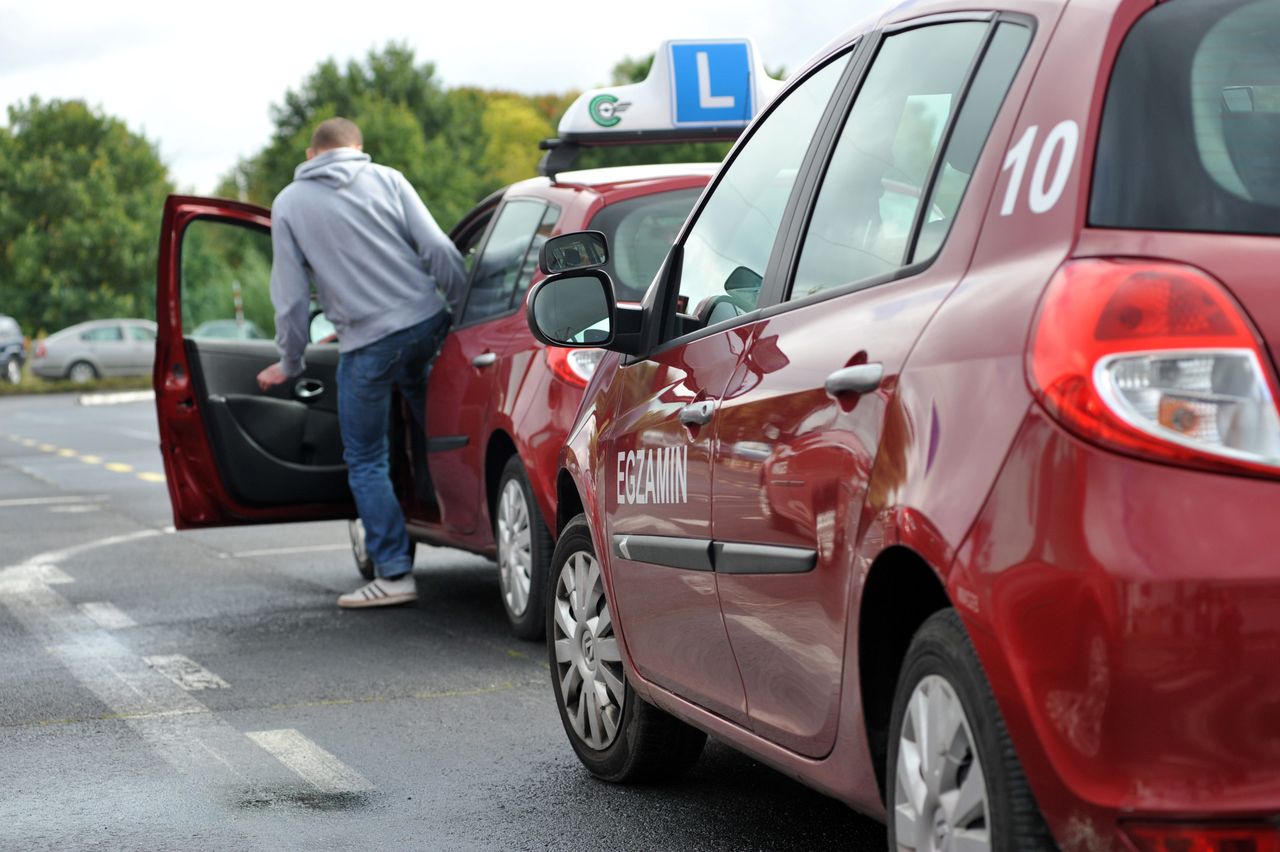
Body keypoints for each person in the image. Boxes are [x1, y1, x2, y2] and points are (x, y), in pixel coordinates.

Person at [256, 116, 465, 609]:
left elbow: (288, 296)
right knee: (439, 432)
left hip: (368, 344)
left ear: (311, 156)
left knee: (367, 458)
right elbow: (437, 248)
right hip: (425, 324)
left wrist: (290, 360)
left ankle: (394, 574)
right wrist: (460, 312)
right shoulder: (387, 178)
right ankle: (467, 524)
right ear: (357, 148)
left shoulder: (289, 203)